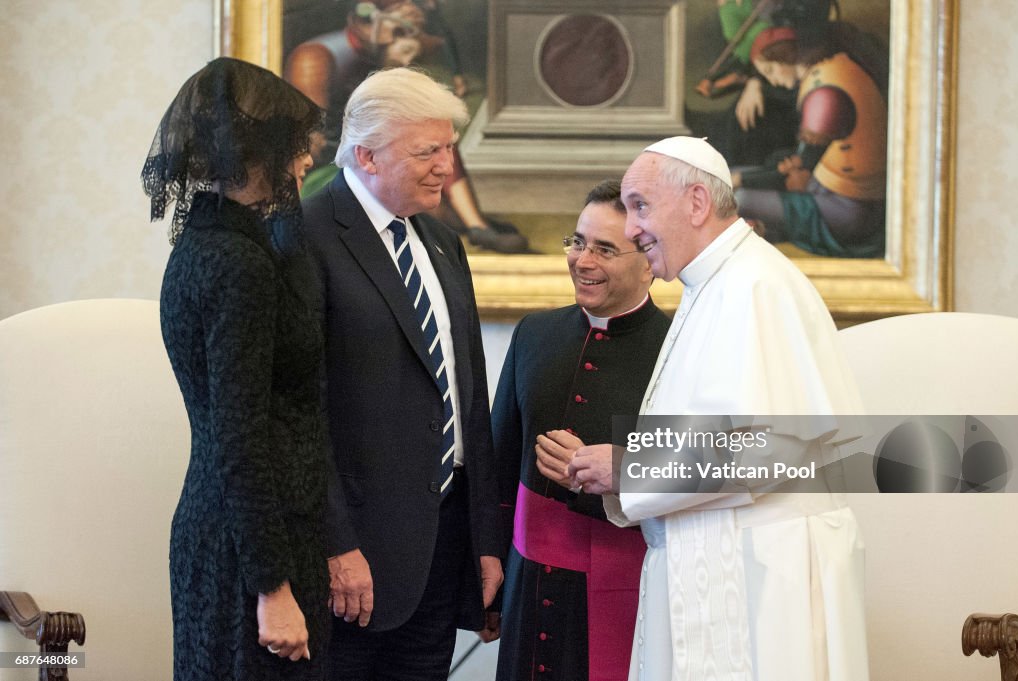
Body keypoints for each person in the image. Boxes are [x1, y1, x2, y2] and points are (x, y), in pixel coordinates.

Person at [566, 136, 870, 681]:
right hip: (732, 557)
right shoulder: (718, 283)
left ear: (697, 204)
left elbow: (767, 450)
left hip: (759, 578)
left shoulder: (752, 287)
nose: (632, 228)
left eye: (640, 205)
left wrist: (626, 467)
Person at [301, 67, 504, 681]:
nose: (447, 165)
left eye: (449, 148)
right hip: (354, 561)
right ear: (365, 155)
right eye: (428, 151)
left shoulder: (443, 242)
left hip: (442, 554)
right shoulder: (306, 235)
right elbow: (298, 411)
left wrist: (484, 539)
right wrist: (336, 545)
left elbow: (469, 402)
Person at [142, 57, 328, 680]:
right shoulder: (240, 265)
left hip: (227, 530)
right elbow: (240, 438)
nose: (305, 163)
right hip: (251, 546)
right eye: (296, 149)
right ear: (258, 153)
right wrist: (272, 589)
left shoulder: (201, 244)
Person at [492, 180, 671, 681]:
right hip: (528, 581)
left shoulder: (677, 351)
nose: (582, 260)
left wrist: (617, 472)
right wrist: (488, 567)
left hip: (626, 581)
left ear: (648, 261)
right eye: (577, 241)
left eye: (605, 249)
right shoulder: (535, 333)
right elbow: (500, 462)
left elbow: (703, 479)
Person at [284, 3, 530, 254]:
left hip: (375, 159)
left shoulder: (376, 51)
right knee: (424, 193)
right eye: (399, 31)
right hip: (332, 170)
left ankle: (475, 224)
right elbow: (309, 141)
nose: (408, 40)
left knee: (430, 137)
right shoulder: (314, 58)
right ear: (363, 23)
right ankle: (474, 224)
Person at [732, 24, 888, 257]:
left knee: (737, 197)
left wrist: (740, 179)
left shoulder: (824, 94)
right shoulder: (832, 68)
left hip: (849, 209)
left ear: (786, 57)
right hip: (828, 190)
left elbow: (800, 170)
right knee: (731, 181)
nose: (772, 81)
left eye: (771, 71)